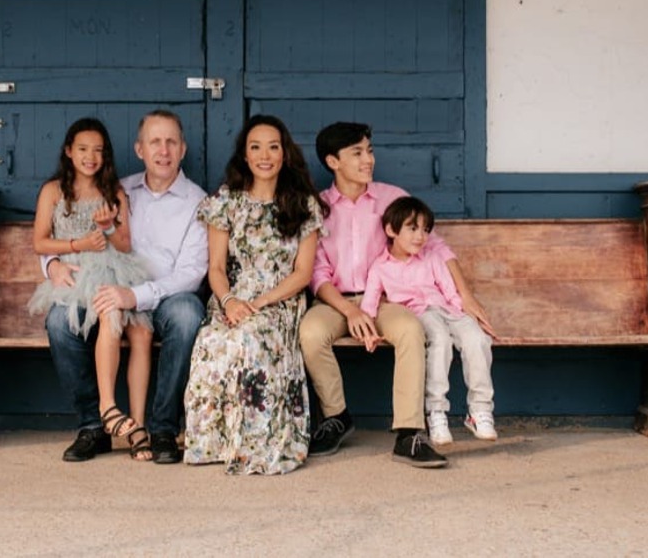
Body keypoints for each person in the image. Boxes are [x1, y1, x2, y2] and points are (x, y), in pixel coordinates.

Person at [300, 121, 496, 469]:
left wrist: (464, 294)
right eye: (357, 153)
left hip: (388, 300)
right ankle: (336, 416)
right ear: (333, 161)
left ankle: (409, 432)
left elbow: (436, 246)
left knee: (411, 330)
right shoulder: (318, 207)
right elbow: (317, 273)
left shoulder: (393, 198)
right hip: (337, 300)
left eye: (369, 151)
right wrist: (350, 311)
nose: (368, 160)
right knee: (310, 333)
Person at [42, 110, 208, 464]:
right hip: (103, 285)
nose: (163, 151)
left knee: (187, 314)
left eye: (171, 142)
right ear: (139, 150)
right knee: (59, 321)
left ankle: (162, 428)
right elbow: (64, 235)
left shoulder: (198, 201)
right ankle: (93, 426)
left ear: (183, 149)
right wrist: (52, 265)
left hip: (162, 296)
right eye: (155, 142)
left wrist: (136, 295)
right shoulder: (119, 188)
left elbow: (191, 273)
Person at [183, 115, 327, 475]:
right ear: (244, 156)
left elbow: (303, 274)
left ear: (285, 154)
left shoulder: (302, 204)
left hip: (280, 300)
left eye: (273, 147)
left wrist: (260, 303)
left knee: (250, 338)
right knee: (211, 341)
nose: (265, 155)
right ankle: (214, 443)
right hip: (232, 296)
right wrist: (230, 302)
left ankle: (254, 444)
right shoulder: (227, 201)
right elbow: (216, 267)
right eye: (256, 147)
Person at [29, 117, 154, 458]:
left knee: (113, 314)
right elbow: (40, 242)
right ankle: (93, 423)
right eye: (83, 149)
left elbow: (125, 243)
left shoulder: (113, 191)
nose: (91, 157)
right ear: (69, 151)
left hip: (113, 270)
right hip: (74, 274)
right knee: (59, 322)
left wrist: (109, 227)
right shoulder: (53, 191)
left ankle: (108, 409)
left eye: (98, 151)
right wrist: (76, 245)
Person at [361, 196, 497, 445]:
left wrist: (467, 318)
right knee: (440, 342)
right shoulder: (380, 267)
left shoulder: (432, 258)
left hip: (447, 309)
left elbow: (449, 290)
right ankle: (436, 412)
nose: (420, 236)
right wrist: (368, 331)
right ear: (391, 230)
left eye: (425, 230)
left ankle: (479, 410)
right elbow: (369, 303)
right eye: (412, 228)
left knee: (478, 340)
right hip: (419, 313)